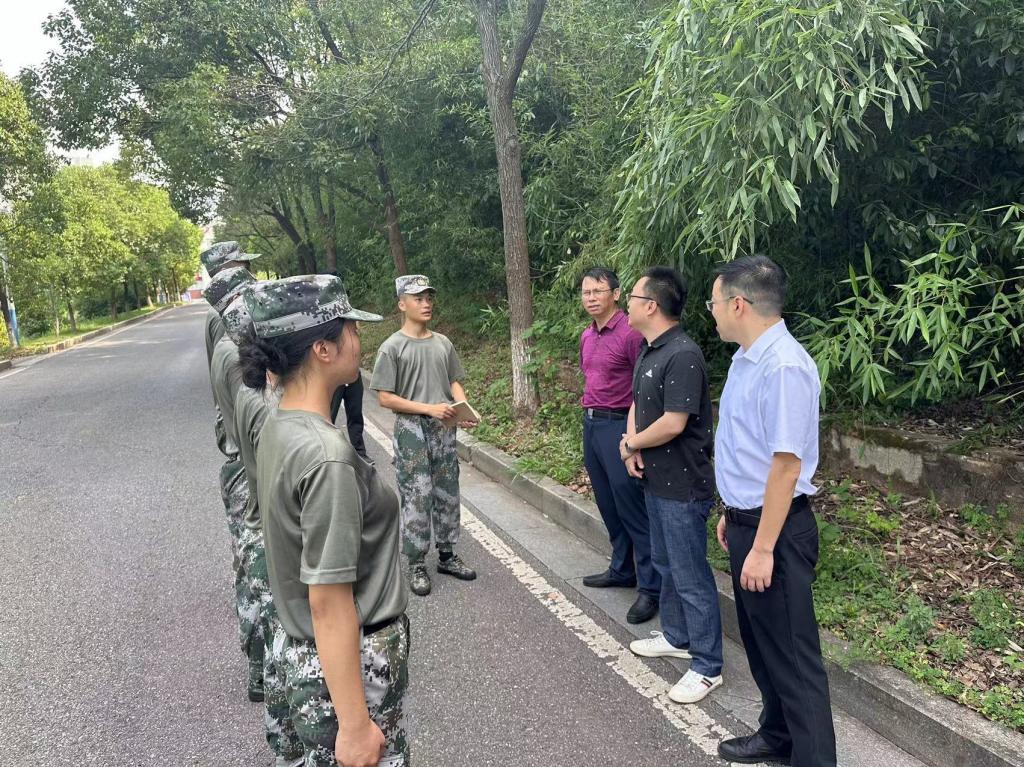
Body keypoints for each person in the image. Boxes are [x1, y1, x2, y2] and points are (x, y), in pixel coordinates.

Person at [238, 275, 410, 767]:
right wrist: (354, 727)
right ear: (323, 349)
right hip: (349, 667)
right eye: (351, 329)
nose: (359, 339)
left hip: (302, 655)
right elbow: (329, 602)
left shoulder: (280, 425)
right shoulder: (326, 456)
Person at [709, 256, 836, 766]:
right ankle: (778, 736)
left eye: (714, 303)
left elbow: (786, 466)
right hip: (751, 522)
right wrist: (732, 511)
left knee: (795, 661)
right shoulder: (746, 359)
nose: (712, 312)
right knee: (764, 647)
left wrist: (762, 547)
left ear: (738, 304)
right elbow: (749, 450)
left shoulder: (784, 366)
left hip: (776, 533)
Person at [618, 267, 723, 704]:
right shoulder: (650, 349)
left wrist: (632, 443)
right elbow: (637, 404)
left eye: (631, 296)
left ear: (651, 305)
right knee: (665, 563)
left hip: (683, 487)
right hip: (656, 482)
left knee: (690, 574)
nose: (625, 303)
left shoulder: (683, 354)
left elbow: (674, 423)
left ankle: (708, 665)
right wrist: (630, 445)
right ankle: (678, 637)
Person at [224, 296, 304, 766]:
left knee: (271, 633)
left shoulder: (248, 391)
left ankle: (282, 733)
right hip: (272, 533)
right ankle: (287, 740)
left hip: (260, 523)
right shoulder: (265, 406)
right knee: (282, 641)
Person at [370, 275, 477, 597]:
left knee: (447, 490)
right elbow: (385, 397)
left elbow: (454, 381)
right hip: (411, 429)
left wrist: (463, 409)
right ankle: (416, 562)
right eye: (418, 298)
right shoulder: (392, 347)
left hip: (444, 425)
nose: (426, 303)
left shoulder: (443, 343)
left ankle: (447, 555)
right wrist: (428, 408)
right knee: (418, 494)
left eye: (429, 297)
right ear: (402, 304)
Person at [577, 266, 660, 625]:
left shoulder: (629, 333)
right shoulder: (587, 335)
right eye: (586, 292)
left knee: (631, 507)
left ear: (615, 294)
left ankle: (652, 588)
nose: (591, 298)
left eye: (598, 291)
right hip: (591, 424)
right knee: (608, 504)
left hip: (619, 426)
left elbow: (643, 389)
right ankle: (622, 568)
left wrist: (634, 439)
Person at [205, 266, 262, 700]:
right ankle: (261, 665)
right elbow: (255, 426)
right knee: (258, 570)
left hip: (240, 465)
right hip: (247, 469)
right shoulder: (234, 355)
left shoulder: (228, 345)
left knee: (248, 565)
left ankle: (259, 662)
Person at [331, 377, 368, 459]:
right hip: (334, 376)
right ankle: (323, 452)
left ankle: (359, 453)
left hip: (354, 376)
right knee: (328, 417)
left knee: (356, 415)